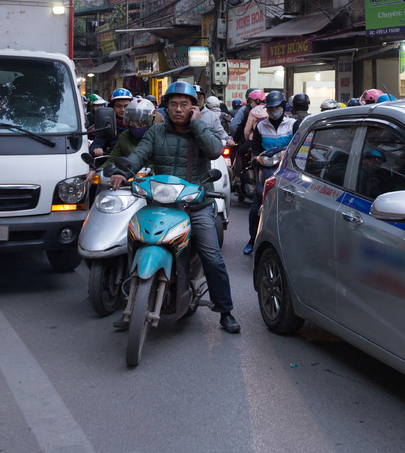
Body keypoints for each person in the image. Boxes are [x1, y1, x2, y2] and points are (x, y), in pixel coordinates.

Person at [110, 81, 240, 334]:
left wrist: (198, 123)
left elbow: (214, 151)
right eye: (173, 104)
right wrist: (123, 172)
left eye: (184, 104)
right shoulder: (156, 132)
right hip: (161, 205)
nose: (178, 109)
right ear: (165, 108)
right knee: (135, 242)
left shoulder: (201, 129)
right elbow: (139, 155)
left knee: (212, 257)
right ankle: (133, 302)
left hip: (197, 206)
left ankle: (225, 310)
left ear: (194, 107)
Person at [243, 91, 296, 255]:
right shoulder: (260, 126)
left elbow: (301, 147)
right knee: (257, 201)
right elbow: (256, 148)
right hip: (266, 169)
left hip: (289, 170)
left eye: (276, 107)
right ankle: (252, 238)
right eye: (270, 108)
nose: (274, 111)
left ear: (283, 107)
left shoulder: (293, 124)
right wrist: (255, 158)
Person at [86, 98, 155, 181]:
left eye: (141, 123)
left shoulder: (157, 136)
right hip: (125, 180)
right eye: (132, 123)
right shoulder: (124, 136)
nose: (136, 127)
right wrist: (98, 171)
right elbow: (113, 159)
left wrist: (152, 172)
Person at [232, 89, 265, 184]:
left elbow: (247, 130)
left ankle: (237, 178)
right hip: (266, 141)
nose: (250, 104)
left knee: (239, 153)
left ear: (257, 100)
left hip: (253, 141)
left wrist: (247, 140)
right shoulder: (269, 110)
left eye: (251, 102)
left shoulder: (253, 111)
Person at [89, 88, 132, 157]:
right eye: (119, 106)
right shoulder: (107, 124)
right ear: (112, 107)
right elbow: (99, 140)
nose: (123, 110)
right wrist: (96, 149)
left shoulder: (136, 123)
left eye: (126, 106)